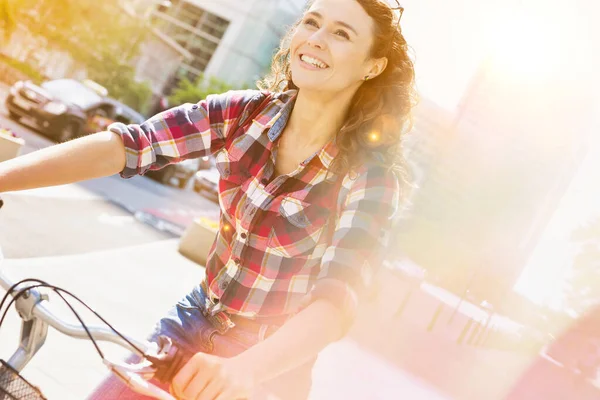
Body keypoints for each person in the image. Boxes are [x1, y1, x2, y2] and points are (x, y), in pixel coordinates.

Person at [0, 0, 416, 398]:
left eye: (341, 33)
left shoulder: (370, 178)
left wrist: (245, 369)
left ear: (371, 66)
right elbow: (131, 145)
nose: (317, 38)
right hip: (192, 323)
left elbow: (336, 304)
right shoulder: (243, 114)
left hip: (269, 369)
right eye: (311, 22)